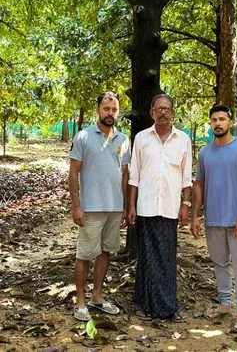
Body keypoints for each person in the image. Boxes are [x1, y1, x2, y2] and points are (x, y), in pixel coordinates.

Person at [190, 104, 237, 333]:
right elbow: (199, 184)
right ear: (210, 123)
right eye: (214, 120)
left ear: (231, 122)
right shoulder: (205, 153)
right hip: (213, 220)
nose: (217, 123)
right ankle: (224, 304)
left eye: (222, 119)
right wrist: (195, 216)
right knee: (220, 264)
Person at [127, 94, 192, 322]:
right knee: (146, 257)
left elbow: (186, 178)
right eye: (159, 109)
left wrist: (186, 205)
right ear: (151, 113)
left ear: (173, 113)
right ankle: (143, 304)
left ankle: (168, 305)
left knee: (166, 258)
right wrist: (131, 206)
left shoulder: (183, 140)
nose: (163, 112)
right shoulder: (141, 139)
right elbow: (134, 175)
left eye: (167, 109)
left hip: (170, 208)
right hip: (145, 206)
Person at [69, 91, 130, 322]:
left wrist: (125, 206)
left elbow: (125, 175)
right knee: (84, 254)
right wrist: (77, 206)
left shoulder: (123, 140)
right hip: (91, 206)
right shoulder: (83, 137)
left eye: (114, 110)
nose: (110, 113)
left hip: (114, 208)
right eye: (106, 109)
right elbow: (73, 173)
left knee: (105, 251)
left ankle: (97, 297)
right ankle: (81, 301)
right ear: (98, 110)